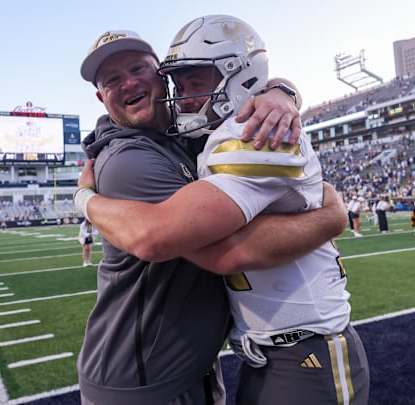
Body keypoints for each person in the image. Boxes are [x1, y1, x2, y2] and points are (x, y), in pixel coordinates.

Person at [75, 15, 368, 405]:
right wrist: (330, 218)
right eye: (111, 80)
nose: (184, 94)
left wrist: (280, 91)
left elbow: (229, 251)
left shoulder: (241, 136)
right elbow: (187, 243)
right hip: (166, 368)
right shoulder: (139, 155)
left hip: (298, 346)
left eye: (194, 82)